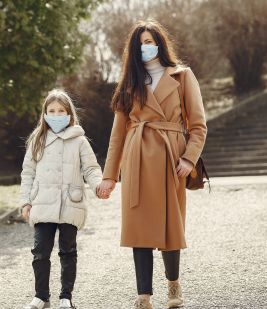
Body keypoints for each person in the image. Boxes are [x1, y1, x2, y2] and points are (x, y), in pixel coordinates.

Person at [96, 20, 207, 309]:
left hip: (171, 160)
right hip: (137, 160)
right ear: (133, 50)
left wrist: (188, 159)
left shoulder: (183, 76)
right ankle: (143, 294)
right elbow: (117, 135)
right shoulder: (129, 83)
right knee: (139, 226)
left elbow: (198, 125)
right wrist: (110, 176)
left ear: (160, 43)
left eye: (149, 41)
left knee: (172, 225)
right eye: (140, 43)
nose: (145, 47)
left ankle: (173, 285)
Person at [20, 89, 103, 309]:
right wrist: (25, 201)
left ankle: (66, 297)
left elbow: (91, 168)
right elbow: (27, 172)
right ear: (45, 114)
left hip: (70, 203)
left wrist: (98, 185)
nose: (56, 115)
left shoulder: (79, 141)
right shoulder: (37, 140)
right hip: (43, 204)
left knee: (68, 252)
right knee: (40, 252)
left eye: (61, 111)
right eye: (51, 111)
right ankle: (41, 296)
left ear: (69, 114)